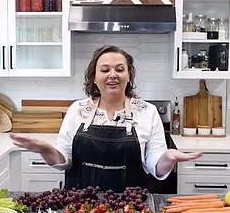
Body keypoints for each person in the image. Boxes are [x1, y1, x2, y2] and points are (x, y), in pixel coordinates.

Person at [11, 45, 202, 192]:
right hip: (80, 207)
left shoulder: (147, 112)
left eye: (120, 69)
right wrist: (46, 150)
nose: (113, 75)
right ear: (94, 77)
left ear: (129, 76)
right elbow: (64, 160)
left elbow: (155, 167)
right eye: (105, 70)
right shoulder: (77, 110)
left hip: (131, 209)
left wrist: (168, 158)